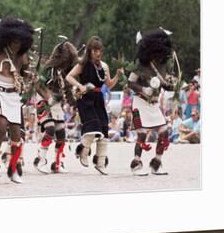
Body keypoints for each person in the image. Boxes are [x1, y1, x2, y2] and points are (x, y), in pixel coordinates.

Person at [0, 17, 35, 184]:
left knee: (17, 134)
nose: (17, 44)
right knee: (2, 126)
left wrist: (31, 76)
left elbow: (24, 73)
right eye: (14, 41)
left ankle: (14, 167)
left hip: (13, 95)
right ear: (7, 38)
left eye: (20, 41)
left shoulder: (22, 57)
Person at [65, 36, 123, 175]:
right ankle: (83, 152)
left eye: (100, 50)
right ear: (90, 51)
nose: (98, 53)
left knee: (103, 132)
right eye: (95, 50)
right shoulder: (83, 64)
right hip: (85, 99)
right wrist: (79, 85)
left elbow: (108, 84)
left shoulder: (104, 66)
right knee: (93, 128)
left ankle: (100, 163)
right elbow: (69, 77)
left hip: (98, 99)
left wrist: (117, 76)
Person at [127, 28, 178, 175]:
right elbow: (130, 84)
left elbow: (164, 85)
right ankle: (136, 164)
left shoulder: (162, 66)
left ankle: (156, 163)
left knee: (164, 132)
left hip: (154, 105)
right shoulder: (140, 65)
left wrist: (171, 86)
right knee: (142, 134)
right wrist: (143, 90)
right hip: (139, 103)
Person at [33, 39, 79, 173]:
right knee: (50, 129)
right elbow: (37, 85)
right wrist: (49, 97)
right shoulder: (48, 69)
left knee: (61, 134)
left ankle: (58, 163)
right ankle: (40, 160)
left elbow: (68, 91)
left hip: (57, 105)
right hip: (44, 101)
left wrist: (74, 104)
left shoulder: (65, 72)